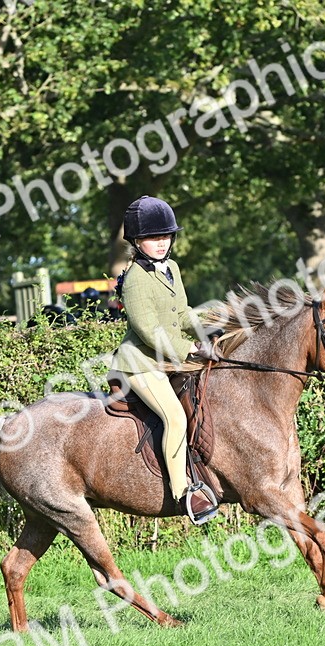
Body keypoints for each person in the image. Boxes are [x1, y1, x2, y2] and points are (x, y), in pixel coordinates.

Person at [109, 196, 218, 524]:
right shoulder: (134, 279)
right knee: (175, 418)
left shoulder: (172, 268)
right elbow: (148, 329)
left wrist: (211, 326)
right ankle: (182, 493)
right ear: (136, 241)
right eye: (153, 238)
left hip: (169, 360)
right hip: (140, 362)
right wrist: (188, 349)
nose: (161, 243)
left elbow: (182, 312)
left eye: (166, 236)